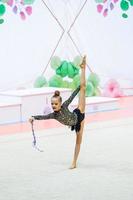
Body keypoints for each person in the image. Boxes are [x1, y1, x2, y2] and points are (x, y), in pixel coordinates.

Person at [29, 55, 86, 169]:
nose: (53, 106)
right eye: (52, 104)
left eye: (55, 104)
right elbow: (43, 117)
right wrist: (33, 117)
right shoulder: (54, 115)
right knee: (77, 141)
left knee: (83, 88)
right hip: (73, 122)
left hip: (79, 114)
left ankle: (83, 68)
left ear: (60, 103)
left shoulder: (64, 105)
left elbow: (71, 96)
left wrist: (78, 88)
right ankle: (74, 162)